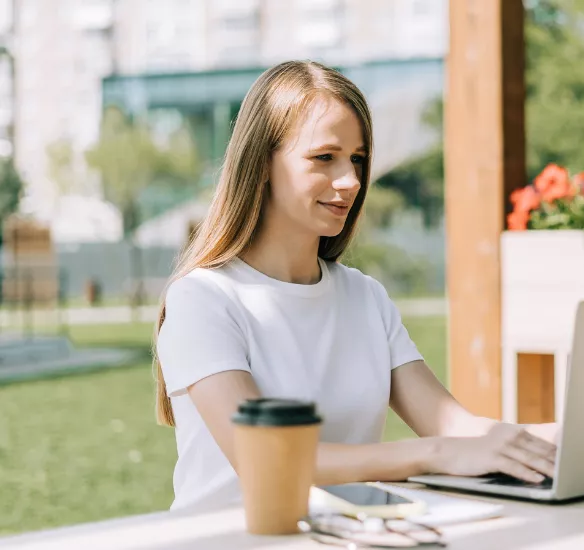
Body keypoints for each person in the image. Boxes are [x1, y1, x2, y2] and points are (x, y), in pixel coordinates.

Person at [153, 60, 558, 512]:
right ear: (262, 163)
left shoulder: (365, 297)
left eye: (358, 159)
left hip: (345, 537)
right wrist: (433, 456)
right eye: (325, 157)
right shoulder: (203, 300)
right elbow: (267, 460)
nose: (350, 181)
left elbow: (451, 425)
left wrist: (564, 440)